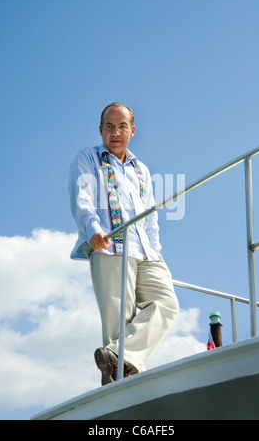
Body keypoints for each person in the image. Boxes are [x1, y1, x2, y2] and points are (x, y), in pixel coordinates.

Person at [68, 102, 179, 385]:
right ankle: (120, 384)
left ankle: (116, 356)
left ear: (132, 130)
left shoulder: (141, 168)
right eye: (109, 126)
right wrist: (93, 230)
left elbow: (150, 216)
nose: (115, 132)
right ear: (101, 130)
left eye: (121, 126)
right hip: (108, 247)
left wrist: (156, 251)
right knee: (120, 320)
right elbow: (82, 199)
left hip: (145, 250)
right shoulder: (88, 157)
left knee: (167, 303)